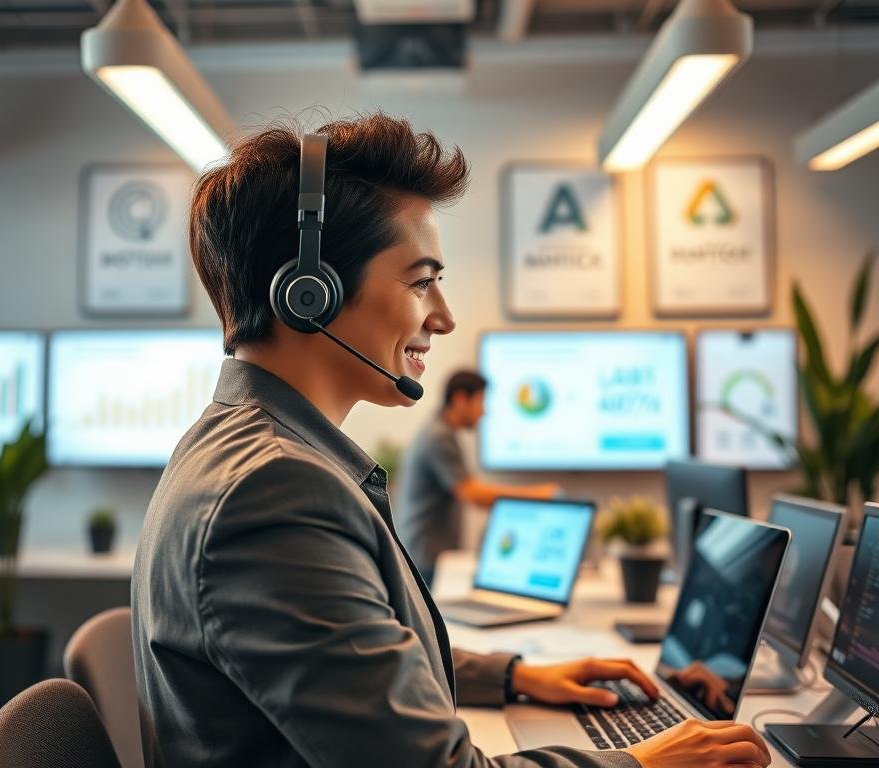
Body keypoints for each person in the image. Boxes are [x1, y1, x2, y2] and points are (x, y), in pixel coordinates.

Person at [131, 113, 773, 768]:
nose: (443, 316)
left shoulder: (242, 449)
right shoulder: (272, 492)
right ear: (309, 295)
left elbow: (350, 657)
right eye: (420, 281)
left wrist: (513, 676)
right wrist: (640, 764)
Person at [396, 369, 561, 585]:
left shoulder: (438, 431)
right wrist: (539, 495)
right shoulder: (439, 437)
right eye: (481, 401)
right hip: (423, 556)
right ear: (461, 399)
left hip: (424, 552)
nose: (484, 411)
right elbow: (472, 494)